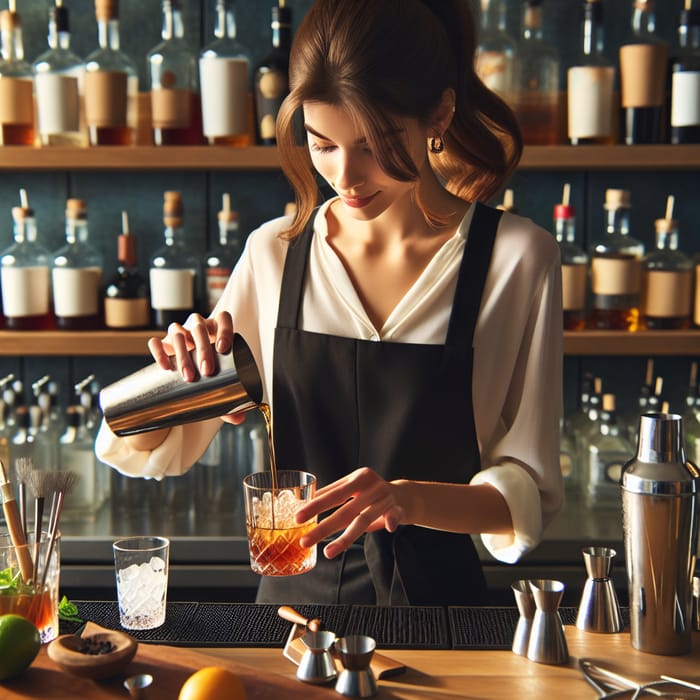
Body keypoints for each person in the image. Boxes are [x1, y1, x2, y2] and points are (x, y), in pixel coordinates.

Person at [96, 0, 563, 606]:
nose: (346, 175)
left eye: (375, 145)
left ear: (440, 114)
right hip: (290, 615)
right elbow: (159, 451)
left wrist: (409, 499)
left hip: (444, 622)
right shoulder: (275, 253)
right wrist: (174, 377)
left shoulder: (518, 259)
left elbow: (527, 491)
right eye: (323, 144)